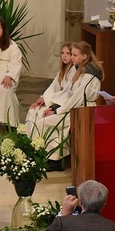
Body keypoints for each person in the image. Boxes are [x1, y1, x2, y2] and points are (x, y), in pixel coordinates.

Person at [26, 41, 104, 171]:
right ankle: (44, 155)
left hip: (83, 111)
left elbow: (76, 98)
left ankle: (55, 160)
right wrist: (53, 107)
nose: (71, 58)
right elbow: (68, 93)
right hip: (73, 107)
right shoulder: (80, 69)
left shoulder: (89, 74)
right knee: (42, 117)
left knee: (45, 122)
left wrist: (57, 112)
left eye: (74, 55)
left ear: (84, 56)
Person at [25, 41, 75, 127]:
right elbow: (53, 86)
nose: (64, 56)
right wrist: (43, 98)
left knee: (41, 114)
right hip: (54, 100)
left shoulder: (74, 71)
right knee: (34, 110)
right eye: (62, 53)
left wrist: (49, 101)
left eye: (68, 53)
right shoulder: (63, 70)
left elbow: (67, 93)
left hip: (62, 104)